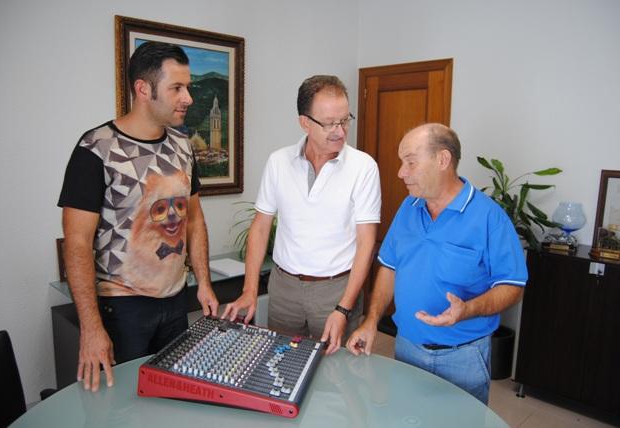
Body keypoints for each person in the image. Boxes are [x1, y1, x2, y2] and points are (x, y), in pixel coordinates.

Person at [58, 42, 219, 392]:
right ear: (143, 89)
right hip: (122, 308)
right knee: (121, 405)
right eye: (177, 88)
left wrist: (204, 282)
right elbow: (77, 243)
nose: (188, 98)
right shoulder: (95, 149)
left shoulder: (183, 146)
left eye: (188, 87)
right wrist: (91, 328)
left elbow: (194, 220)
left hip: (175, 301)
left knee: (172, 396)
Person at [346, 123, 527, 404]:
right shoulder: (409, 207)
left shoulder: (490, 218)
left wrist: (467, 310)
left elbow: (513, 287)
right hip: (407, 348)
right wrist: (371, 321)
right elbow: (390, 267)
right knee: (406, 418)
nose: (401, 172)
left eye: (410, 162)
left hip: (463, 356)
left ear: (443, 159)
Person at [222, 75, 381, 354]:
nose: (340, 131)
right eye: (329, 123)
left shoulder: (363, 167)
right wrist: (249, 290)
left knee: (336, 370)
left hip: (336, 289)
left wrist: (344, 308)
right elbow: (260, 227)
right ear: (305, 122)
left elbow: (366, 243)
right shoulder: (278, 161)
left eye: (345, 120)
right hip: (284, 288)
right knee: (281, 361)